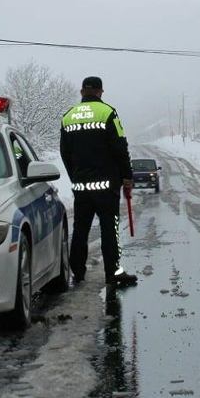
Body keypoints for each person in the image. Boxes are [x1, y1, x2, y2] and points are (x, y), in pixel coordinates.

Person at [60, 76, 138, 288]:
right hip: (106, 186)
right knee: (109, 230)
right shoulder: (108, 113)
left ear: (81, 92)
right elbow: (120, 147)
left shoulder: (68, 117)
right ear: (101, 92)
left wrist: (75, 176)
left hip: (81, 186)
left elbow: (65, 153)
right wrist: (127, 176)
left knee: (80, 230)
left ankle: (77, 273)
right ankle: (113, 273)